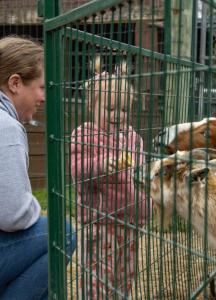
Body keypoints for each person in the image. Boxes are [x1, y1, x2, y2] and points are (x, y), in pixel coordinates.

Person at [0, 36, 76, 300]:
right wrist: (35, 206)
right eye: (41, 87)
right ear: (15, 83)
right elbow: (14, 215)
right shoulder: (6, 127)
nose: (44, 97)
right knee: (62, 232)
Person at [71, 61, 151, 299]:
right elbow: (76, 169)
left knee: (125, 277)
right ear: (92, 106)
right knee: (97, 279)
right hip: (100, 222)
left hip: (130, 222)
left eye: (124, 110)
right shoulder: (84, 134)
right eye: (111, 109)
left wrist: (148, 200)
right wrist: (100, 165)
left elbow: (142, 173)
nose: (118, 116)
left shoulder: (133, 138)